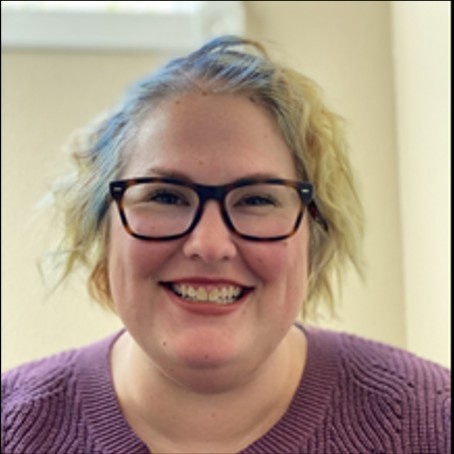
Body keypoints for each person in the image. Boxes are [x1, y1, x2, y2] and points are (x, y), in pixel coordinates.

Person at [1, 35, 450, 454]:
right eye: (165, 197)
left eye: (257, 199)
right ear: (101, 229)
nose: (210, 244)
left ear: (314, 235)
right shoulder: (13, 426)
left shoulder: (434, 423)